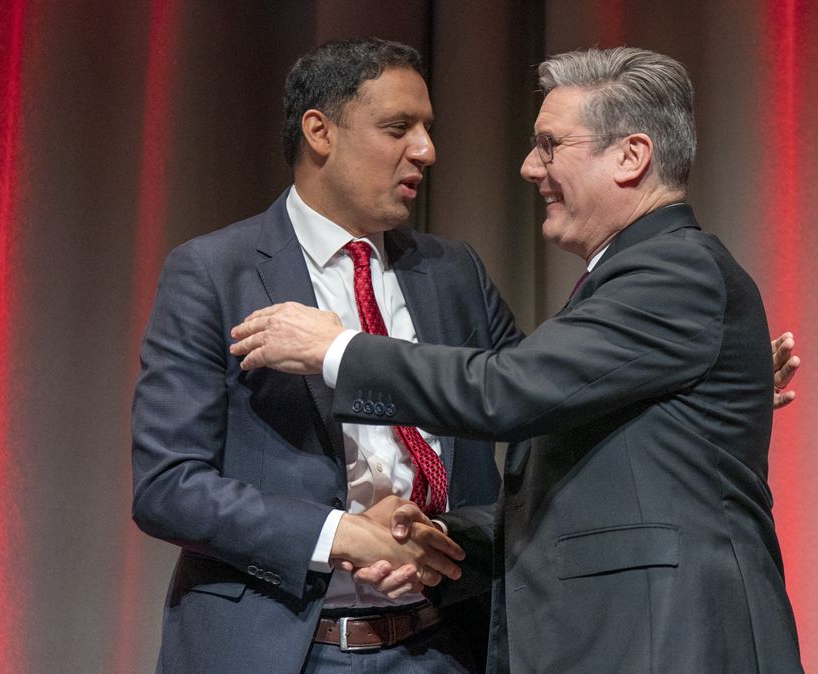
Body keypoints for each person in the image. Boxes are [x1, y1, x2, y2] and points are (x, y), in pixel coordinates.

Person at [231, 46, 804, 673]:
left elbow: (506, 389)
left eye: (551, 146)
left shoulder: (674, 270)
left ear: (631, 157)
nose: (531, 168)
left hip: (674, 641)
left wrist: (335, 349)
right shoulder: (625, 279)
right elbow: (591, 481)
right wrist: (444, 543)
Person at [131, 37, 525, 674]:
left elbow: (534, 422)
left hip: (444, 645)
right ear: (320, 131)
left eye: (426, 129)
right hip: (283, 649)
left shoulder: (454, 272)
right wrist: (341, 534)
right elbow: (168, 486)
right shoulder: (214, 273)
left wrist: (450, 540)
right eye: (398, 127)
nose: (426, 151)